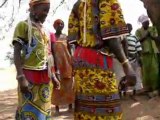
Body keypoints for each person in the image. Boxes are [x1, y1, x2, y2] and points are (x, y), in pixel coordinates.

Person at [68, 0, 136, 120]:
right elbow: (112, 38)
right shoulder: (106, 1)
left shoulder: (78, 4)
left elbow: (72, 38)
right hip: (97, 59)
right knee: (108, 111)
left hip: (80, 60)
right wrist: (126, 65)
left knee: (85, 109)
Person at [12, 0, 60, 119]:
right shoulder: (23, 26)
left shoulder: (47, 30)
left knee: (44, 111)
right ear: (33, 9)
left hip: (46, 78)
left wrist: (53, 76)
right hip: (29, 77)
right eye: (44, 10)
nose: (46, 13)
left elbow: (49, 55)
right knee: (28, 110)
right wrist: (20, 77)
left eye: (48, 11)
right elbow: (17, 52)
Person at [51, 19, 75, 114]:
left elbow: (71, 50)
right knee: (57, 86)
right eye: (58, 24)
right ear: (54, 26)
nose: (60, 25)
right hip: (56, 64)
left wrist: (73, 61)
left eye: (62, 24)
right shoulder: (52, 37)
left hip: (67, 63)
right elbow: (51, 51)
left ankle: (70, 106)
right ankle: (57, 109)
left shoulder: (66, 37)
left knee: (68, 85)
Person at [136, 14, 159, 98]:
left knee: (155, 70)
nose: (147, 23)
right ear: (142, 23)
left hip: (153, 52)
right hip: (144, 54)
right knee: (146, 72)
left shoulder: (152, 29)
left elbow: (157, 38)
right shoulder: (138, 31)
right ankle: (148, 89)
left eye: (148, 21)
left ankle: (155, 88)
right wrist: (145, 36)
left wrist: (152, 36)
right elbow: (138, 41)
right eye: (146, 22)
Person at [125, 23, 143, 94]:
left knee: (135, 74)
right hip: (125, 60)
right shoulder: (123, 37)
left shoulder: (134, 37)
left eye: (130, 27)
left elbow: (139, 48)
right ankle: (123, 91)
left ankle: (135, 91)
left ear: (131, 29)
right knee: (125, 75)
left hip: (134, 59)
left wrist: (140, 57)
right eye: (127, 27)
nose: (128, 29)